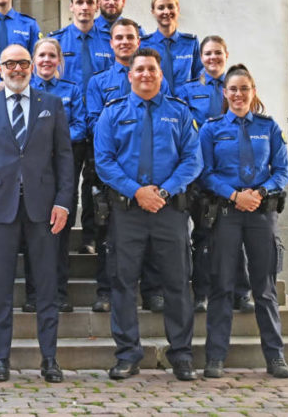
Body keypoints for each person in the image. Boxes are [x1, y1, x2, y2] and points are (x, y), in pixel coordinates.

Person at [94, 48, 202, 381]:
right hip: (127, 213)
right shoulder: (112, 113)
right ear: (129, 75)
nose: (145, 74)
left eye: (151, 69)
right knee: (123, 283)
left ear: (161, 74)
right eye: (139, 69)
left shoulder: (179, 113)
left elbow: (192, 160)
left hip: (169, 212)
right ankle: (127, 354)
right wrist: (136, 191)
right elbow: (104, 161)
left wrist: (164, 192)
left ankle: (181, 354)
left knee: (177, 283)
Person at [0, 45, 74, 383]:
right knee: (0, 288)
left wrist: (63, 202)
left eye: (23, 63)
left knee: (46, 286)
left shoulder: (52, 105)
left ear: (32, 67)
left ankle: (49, 359)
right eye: (10, 63)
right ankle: (1, 359)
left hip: (43, 209)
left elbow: (65, 159)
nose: (17, 69)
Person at [198, 65, 288, 379]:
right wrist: (235, 196)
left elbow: (281, 170)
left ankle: (275, 357)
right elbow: (205, 173)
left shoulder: (268, 126)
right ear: (224, 93)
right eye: (233, 89)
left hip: (262, 213)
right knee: (222, 286)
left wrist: (261, 191)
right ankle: (215, 358)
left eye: (244, 89)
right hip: (226, 214)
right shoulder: (211, 129)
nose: (238, 95)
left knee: (264, 289)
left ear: (253, 92)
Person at [85, 18, 166, 314]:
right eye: (118, 37)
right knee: (110, 236)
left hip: (149, 166)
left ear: (138, 41)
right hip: (113, 168)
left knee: (151, 232)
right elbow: (94, 122)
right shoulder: (98, 82)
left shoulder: (154, 77)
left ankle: (153, 290)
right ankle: (107, 291)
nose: (124, 42)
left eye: (130, 37)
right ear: (111, 42)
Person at [179, 36, 252, 313]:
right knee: (203, 236)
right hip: (202, 174)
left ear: (226, 54)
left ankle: (241, 293)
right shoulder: (188, 91)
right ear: (201, 56)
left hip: (233, 173)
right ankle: (202, 293)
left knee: (236, 235)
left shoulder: (237, 87)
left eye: (218, 53)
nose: (212, 58)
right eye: (207, 53)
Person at [47, 0, 113, 254]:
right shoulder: (58, 41)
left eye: (89, 2)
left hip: (100, 126)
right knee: (67, 184)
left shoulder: (109, 39)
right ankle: (59, 236)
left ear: (97, 6)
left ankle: (91, 236)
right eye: (79, 2)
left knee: (96, 186)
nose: (85, 7)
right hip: (69, 126)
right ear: (71, 7)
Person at [27, 38, 86, 313]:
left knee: (60, 232)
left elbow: (80, 126)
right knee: (32, 232)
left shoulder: (71, 90)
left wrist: (51, 139)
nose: (47, 60)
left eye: (52, 55)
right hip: (31, 172)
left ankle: (60, 292)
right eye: (42, 56)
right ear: (33, 60)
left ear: (59, 60)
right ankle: (33, 293)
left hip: (63, 168)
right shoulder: (24, 90)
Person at [139, 0, 200, 95]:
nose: (166, 12)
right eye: (161, 8)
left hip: (185, 106)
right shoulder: (143, 45)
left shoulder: (191, 43)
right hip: (156, 106)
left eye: (171, 7)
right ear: (153, 11)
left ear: (178, 9)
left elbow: (200, 77)